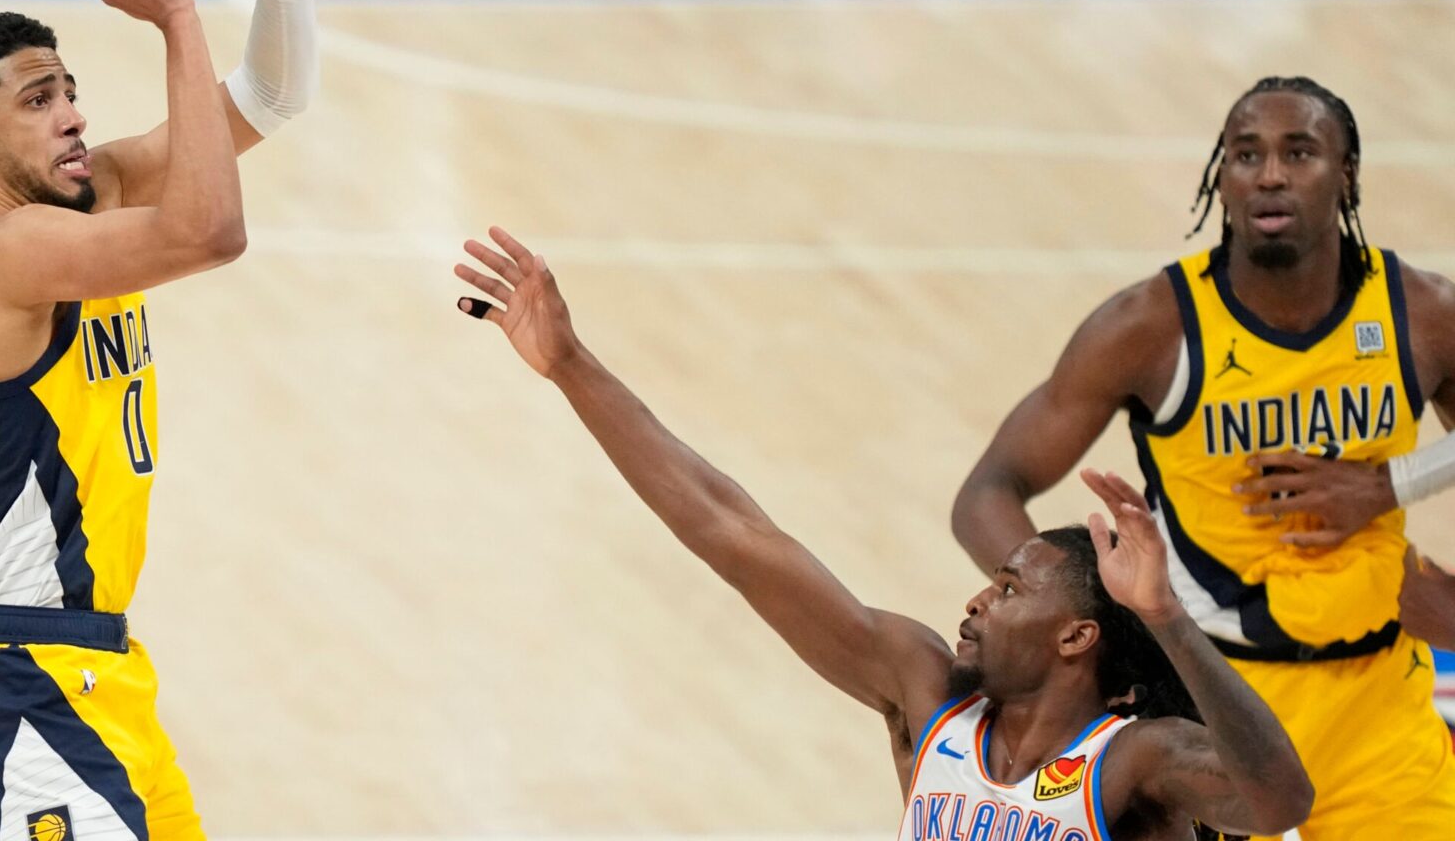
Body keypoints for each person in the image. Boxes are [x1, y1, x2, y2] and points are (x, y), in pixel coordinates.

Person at [453, 227, 1312, 839]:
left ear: (1076, 636)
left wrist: (1166, 618)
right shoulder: (926, 693)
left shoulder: (1133, 761)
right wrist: (570, 366)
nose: (976, 601)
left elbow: (1280, 804)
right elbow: (729, 531)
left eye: (1010, 588)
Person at [0, 0, 315, 839]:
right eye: (40, 100)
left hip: (102, 676)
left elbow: (272, 97)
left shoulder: (92, 200)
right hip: (21, 685)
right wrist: (176, 16)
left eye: (72, 92)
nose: (75, 117)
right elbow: (210, 232)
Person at [952, 77, 1455, 836]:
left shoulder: (1418, 313)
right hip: (1219, 710)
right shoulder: (1151, 327)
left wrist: (1395, 483)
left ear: (1347, 174)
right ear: (1222, 179)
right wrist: (1103, 624)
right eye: (1246, 154)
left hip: (1379, 702)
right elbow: (988, 491)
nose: (1270, 174)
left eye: (1299, 152)